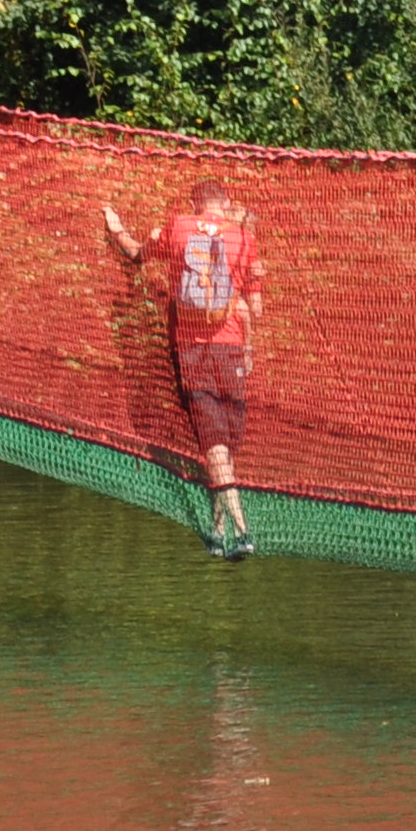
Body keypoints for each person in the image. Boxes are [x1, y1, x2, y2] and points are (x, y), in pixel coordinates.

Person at [103, 182, 264, 559]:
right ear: (225, 203)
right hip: (232, 351)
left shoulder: (176, 227)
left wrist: (115, 227)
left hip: (191, 351)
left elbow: (138, 255)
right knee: (222, 443)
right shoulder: (244, 238)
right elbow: (254, 308)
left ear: (194, 204)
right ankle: (230, 530)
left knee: (215, 444)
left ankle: (229, 531)